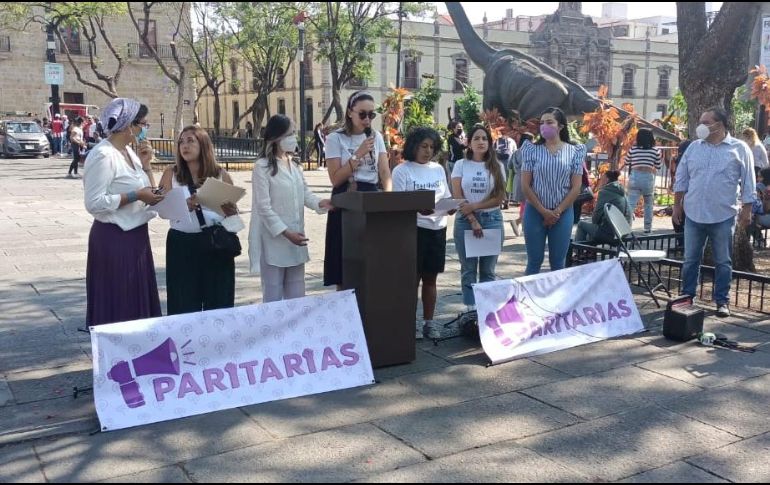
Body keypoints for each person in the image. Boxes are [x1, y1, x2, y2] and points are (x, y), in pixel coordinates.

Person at [83, 98, 164, 326]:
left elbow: (146, 189)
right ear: (129, 125)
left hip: (137, 235)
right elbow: (94, 202)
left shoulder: (129, 152)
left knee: (138, 298)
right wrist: (135, 196)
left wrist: (147, 166)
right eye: (143, 124)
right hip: (115, 237)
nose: (144, 130)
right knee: (120, 300)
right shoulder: (103, 155)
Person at [673, 107, 756, 318]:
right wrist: (676, 205)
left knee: (723, 261)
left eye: (705, 121)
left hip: (723, 214)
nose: (701, 126)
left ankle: (722, 301)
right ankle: (687, 296)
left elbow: (748, 181)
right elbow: (681, 177)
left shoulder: (739, 148)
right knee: (691, 258)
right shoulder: (694, 147)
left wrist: (747, 209)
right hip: (693, 213)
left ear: (719, 124)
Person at [158, 126, 240, 315]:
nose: (184, 146)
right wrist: (182, 206)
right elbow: (161, 211)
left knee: (219, 303)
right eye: (181, 142)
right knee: (183, 302)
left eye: (190, 141)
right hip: (182, 244)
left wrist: (231, 213)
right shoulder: (171, 174)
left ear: (203, 144)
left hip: (215, 244)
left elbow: (233, 223)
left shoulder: (221, 175)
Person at [250, 115, 333, 302]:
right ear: (276, 137)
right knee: (273, 298)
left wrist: (322, 203)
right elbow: (264, 207)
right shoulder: (262, 167)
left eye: (294, 133)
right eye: (290, 133)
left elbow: (305, 193)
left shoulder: (295, 165)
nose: (294, 138)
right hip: (275, 242)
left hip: (297, 241)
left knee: (297, 299)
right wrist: (286, 233)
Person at [323, 90, 392, 288]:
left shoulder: (376, 136)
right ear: (350, 112)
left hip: (370, 195)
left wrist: (387, 199)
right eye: (362, 114)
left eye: (372, 115)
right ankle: (344, 304)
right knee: (344, 261)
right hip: (346, 196)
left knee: (371, 258)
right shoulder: (335, 139)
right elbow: (335, 179)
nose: (367, 119)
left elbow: (385, 172)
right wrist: (358, 154)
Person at [392, 127, 453, 339]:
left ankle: (429, 322)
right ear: (413, 146)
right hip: (414, 230)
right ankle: (410, 323)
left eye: (431, 147)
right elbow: (398, 204)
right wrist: (417, 208)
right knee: (412, 279)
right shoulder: (402, 170)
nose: (428, 151)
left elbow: (445, 195)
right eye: (423, 146)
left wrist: (450, 206)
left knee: (431, 278)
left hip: (438, 228)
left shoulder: (438, 169)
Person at [520, 107, 587, 275]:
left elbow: (576, 186)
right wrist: (543, 211)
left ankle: (558, 300)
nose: (544, 126)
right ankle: (527, 299)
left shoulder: (574, 151)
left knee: (558, 262)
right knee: (534, 260)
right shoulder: (531, 150)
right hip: (535, 211)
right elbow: (525, 185)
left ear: (561, 126)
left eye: (549, 122)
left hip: (563, 212)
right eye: (542, 123)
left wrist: (557, 211)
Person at [452, 124, 507, 312]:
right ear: (469, 143)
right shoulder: (461, 165)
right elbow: (458, 197)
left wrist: (475, 206)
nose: (481, 142)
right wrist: (473, 219)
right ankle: (470, 309)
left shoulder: (497, 165)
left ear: (489, 143)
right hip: (466, 222)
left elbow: (499, 198)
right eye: (476, 138)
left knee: (488, 271)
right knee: (468, 270)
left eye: (484, 138)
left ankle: (486, 310)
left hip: (492, 220)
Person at [575, 170, 631, 243]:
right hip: (624, 233)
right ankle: (589, 252)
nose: (600, 181)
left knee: (581, 224)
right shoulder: (622, 192)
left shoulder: (605, 192)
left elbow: (595, 218)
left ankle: (578, 252)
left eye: (601, 179)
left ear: (606, 180)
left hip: (611, 234)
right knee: (593, 227)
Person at [626, 128, 661, 234]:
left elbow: (627, 162)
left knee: (630, 204)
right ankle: (647, 228)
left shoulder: (633, 149)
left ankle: (626, 228)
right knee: (648, 204)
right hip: (648, 177)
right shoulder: (655, 151)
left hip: (635, 176)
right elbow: (658, 165)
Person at [510, 132, 535, 236]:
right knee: (528, 203)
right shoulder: (531, 152)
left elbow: (509, 166)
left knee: (524, 204)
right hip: (528, 180)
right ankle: (520, 223)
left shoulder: (516, 152)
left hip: (517, 179)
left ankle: (519, 223)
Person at [495, 132, 517, 209]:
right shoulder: (512, 140)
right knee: (508, 182)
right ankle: (507, 201)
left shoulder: (496, 140)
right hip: (508, 163)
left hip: (498, 162)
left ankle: (500, 201)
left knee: (499, 181)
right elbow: (515, 152)